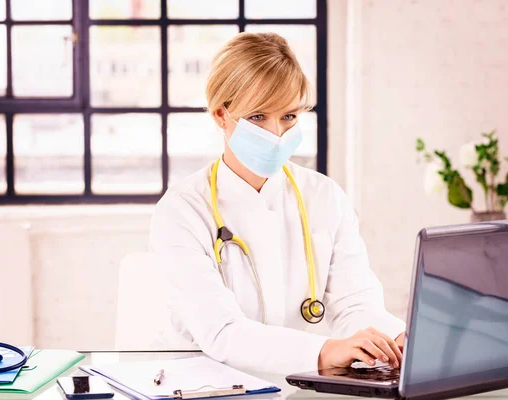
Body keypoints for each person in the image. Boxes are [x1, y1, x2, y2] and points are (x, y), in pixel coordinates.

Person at [149, 32, 405, 375]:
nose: (276, 133)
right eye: (258, 117)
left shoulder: (324, 197)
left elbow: (355, 303)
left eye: (289, 116)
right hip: (204, 385)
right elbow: (221, 332)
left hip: (300, 383)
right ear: (221, 115)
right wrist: (325, 351)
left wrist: (395, 339)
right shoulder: (182, 210)